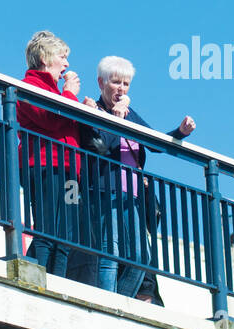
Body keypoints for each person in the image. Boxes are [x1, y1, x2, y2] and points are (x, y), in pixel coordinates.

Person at [79, 56, 195, 301]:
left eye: (126, 84)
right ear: (101, 83)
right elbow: (101, 146)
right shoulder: (92, 109)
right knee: (110, 252)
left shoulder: (129, 113)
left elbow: (153, 143)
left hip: (131, 196)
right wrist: (116, 119)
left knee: (141, 259)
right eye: (116, 82)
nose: (121, 89)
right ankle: (107, 305)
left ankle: (118, 301)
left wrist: (180, 132)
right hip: (103, 191)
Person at [17, 31, 84, 278]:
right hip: (44, 165)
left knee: (65, 235)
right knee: (46, 230)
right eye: (62, 57)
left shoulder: (57, 91)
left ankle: (57, 282)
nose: (66, 63)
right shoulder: (30, 86)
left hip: (68, 169)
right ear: (45, 58)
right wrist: (69, 94)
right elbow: (51, 120)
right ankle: (38, 280)